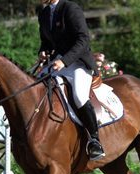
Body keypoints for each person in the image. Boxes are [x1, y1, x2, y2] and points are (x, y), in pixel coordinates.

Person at [38, 0, 105, 160]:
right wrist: (43, 51)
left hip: (78, 63)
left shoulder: (70, 8)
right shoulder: (44, 13)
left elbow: (83, 40)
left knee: (79, 96)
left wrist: (64, 61)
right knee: (36, 87)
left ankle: (95, 140)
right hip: (57, 62)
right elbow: (46, 41)